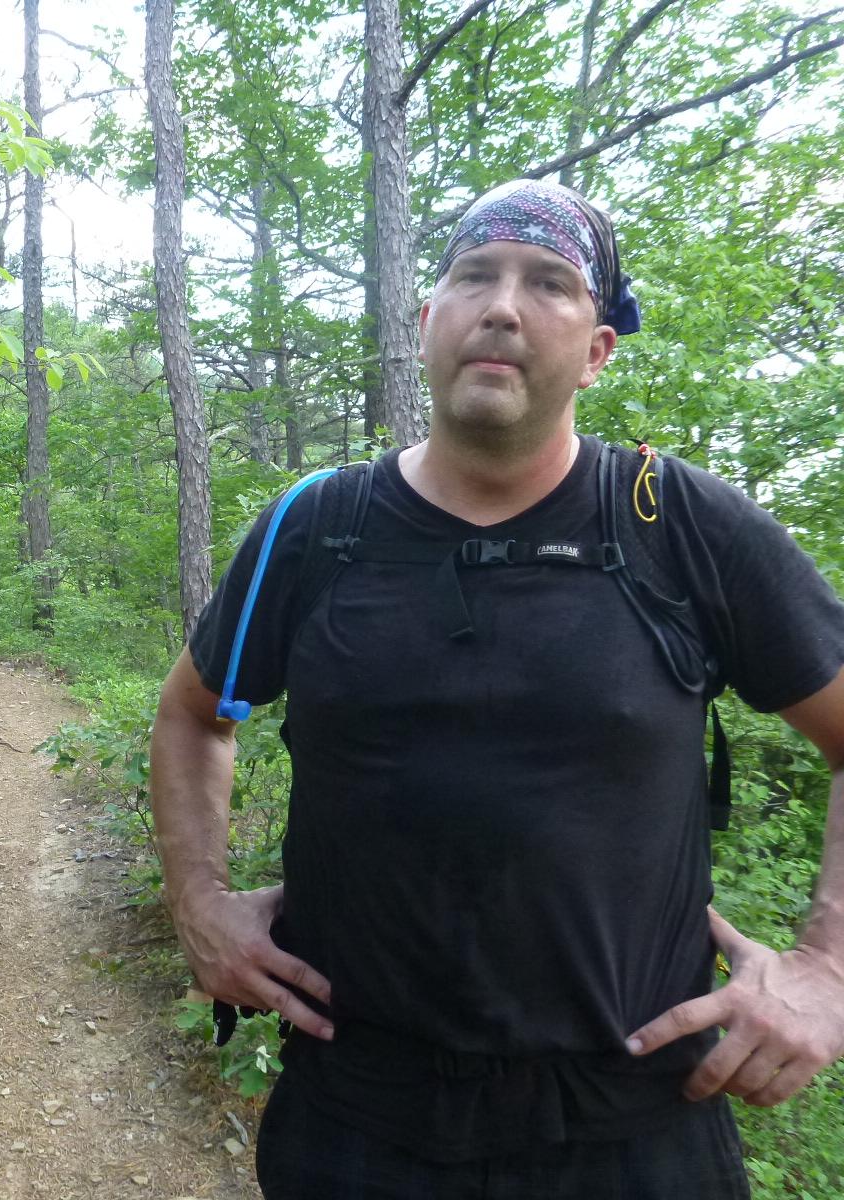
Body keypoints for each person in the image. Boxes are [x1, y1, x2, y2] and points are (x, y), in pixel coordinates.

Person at [149, 178, 844, 1198]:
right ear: (427, 321)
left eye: (549, 283)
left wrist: (826, 971)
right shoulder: (316, 527)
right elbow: (190, 715)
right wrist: (198, 901)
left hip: (634, 1131)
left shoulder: (674, 522)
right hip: (356, 1122)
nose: (504, 306)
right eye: (474, 275)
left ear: (598, 348)